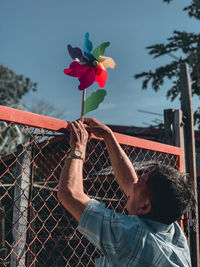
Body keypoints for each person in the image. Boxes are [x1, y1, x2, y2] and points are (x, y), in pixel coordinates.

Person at [58, 118, 193, 266]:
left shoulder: (132, 236)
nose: (133, 184)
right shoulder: (173, 233)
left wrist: (78, 148)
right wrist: (108, 136)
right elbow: (131, 183)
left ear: (145, 207)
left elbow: (70, 194)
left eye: (140, 182)